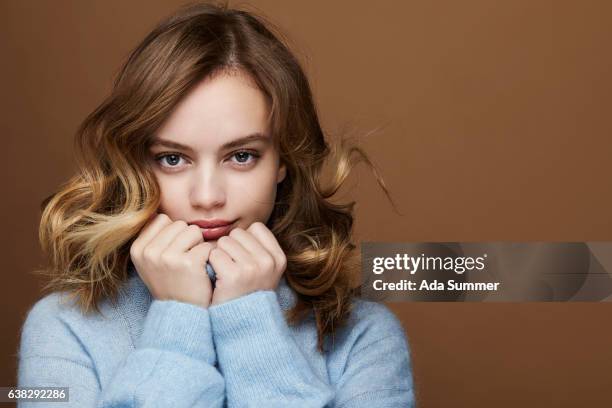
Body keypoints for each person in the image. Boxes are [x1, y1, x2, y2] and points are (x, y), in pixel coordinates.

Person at [17, 2, 415, 406]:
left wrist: (250, 322)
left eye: (241, 156)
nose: (207, 197)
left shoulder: (364, 334)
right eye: (172, 159)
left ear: (283, 161)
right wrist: (176, 320)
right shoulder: (61, 328)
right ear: (136, 164)